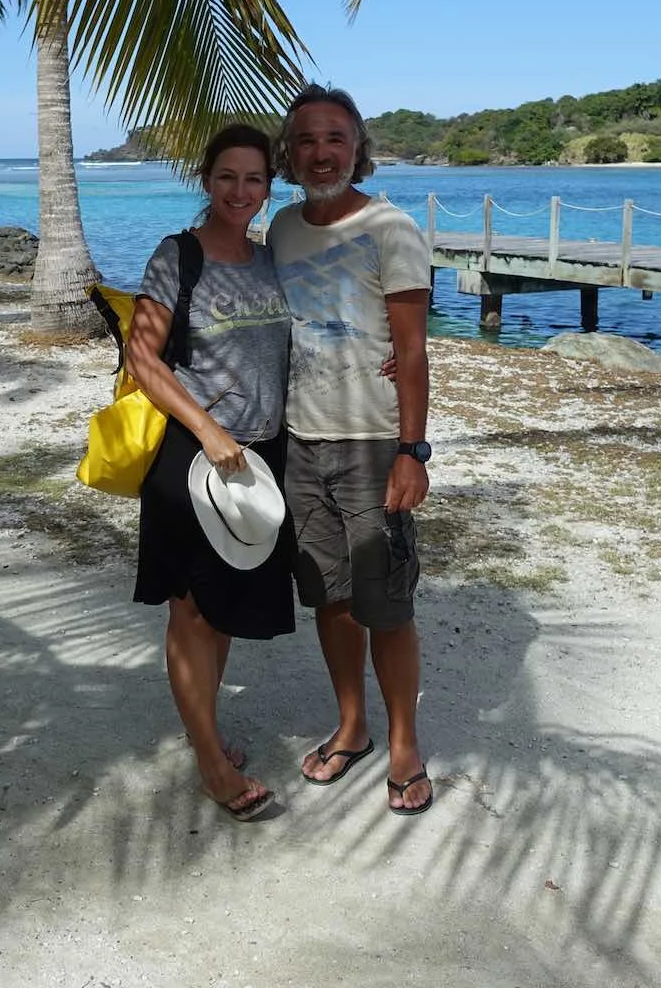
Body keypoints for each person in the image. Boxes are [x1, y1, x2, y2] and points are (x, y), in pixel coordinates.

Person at [268, 86, 436, 816]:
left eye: (335, 137)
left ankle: (404, 744)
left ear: (357, 147)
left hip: (373, 443)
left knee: (387, 604)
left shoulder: (391, 228)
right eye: (306, 139)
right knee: (330, 599)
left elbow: (412, 350)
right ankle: (353, 725)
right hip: (301, 439)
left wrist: (413, 451)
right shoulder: (280, 228)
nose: (321, 151)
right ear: (291, 153)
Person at [126, 123, 296, 822]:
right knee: (192, 609)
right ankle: (210, 763)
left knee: (221, 612)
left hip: (261, 457)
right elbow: (144, 359)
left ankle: (209, 738)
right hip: (194, 456)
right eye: (227, 177)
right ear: (206, 180)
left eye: (254, 179)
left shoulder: (267, 261)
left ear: (268, 186)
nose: (241, 191)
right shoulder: (178, 256)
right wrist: (206, 428)